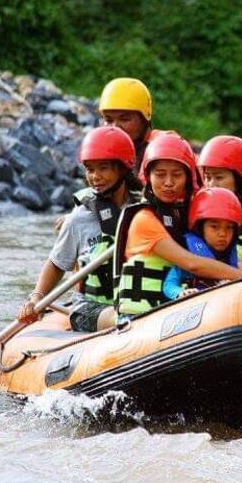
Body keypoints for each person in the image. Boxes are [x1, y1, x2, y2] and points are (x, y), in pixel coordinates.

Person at [17, 126, 142, 331]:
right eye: (90, 169)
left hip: (134, 300)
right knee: (127, 315)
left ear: (122, 168)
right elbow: (56, 264)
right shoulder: (78, 219)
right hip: (90, 309)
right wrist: (36, 298)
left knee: (136, 309)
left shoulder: (142, 210)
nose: (95, 177)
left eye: (103, 168)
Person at [114, 133, 242, 315]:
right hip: (140, 315)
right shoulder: (144, 219)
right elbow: (191, 264)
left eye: (177, 175)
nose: (169, 183)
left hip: (173, 312)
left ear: (188, 178)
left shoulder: (187, 215)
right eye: (160, 175)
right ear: (148, 177)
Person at [163, 188, 242, 299]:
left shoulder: (238, 262)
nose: (222, 233)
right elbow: (169, 285)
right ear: (200, 228)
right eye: (214, 227)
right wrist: (180, 293)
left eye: (229, 227)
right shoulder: (190, 257)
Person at [197, 135, 242, 237]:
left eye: (219, 178)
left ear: (239, 179)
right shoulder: (197, 206)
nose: (211, 185)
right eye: (208, 178)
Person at [97, 77, 159, 171]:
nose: (115, 127)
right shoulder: (103, 151)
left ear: (144, 120)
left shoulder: (160, 151)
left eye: (124, 119)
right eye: (108, 120)